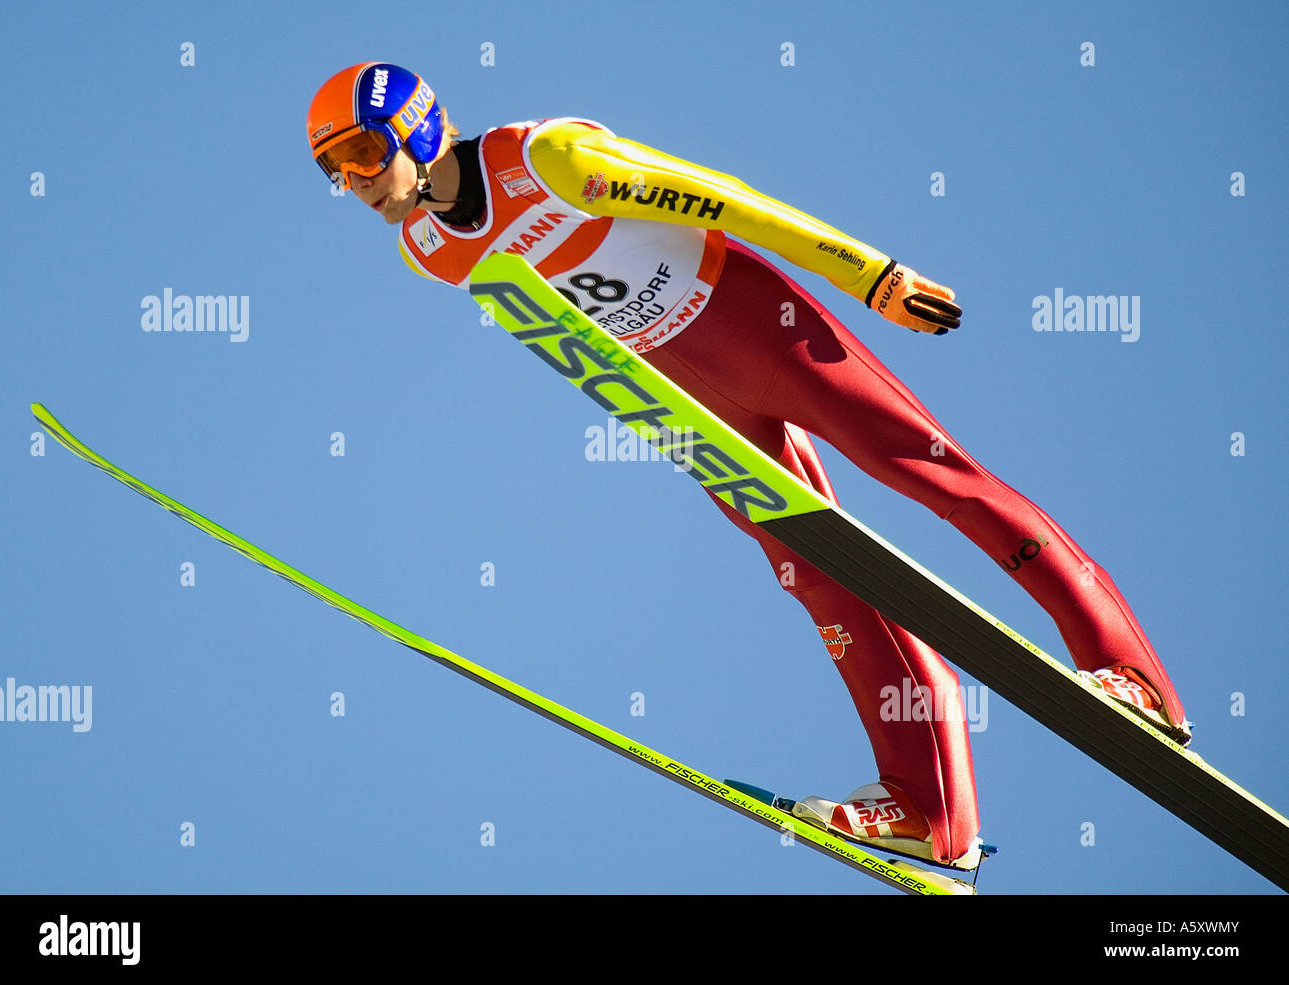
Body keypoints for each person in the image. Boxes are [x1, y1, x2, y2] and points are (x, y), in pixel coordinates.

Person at [306, 62, 1191, 871]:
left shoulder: (547, 158)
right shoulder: (430, 253)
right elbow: (570, 340)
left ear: (416, 128)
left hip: (758, 331)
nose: (352, 183)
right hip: (684, 395)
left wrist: (868, 273)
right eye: (332, 170)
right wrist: (660, 424)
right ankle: (930, 809)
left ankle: (1132, 677)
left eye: (359, 152)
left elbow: (723, 200)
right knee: (815, 572)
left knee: (929, 474)